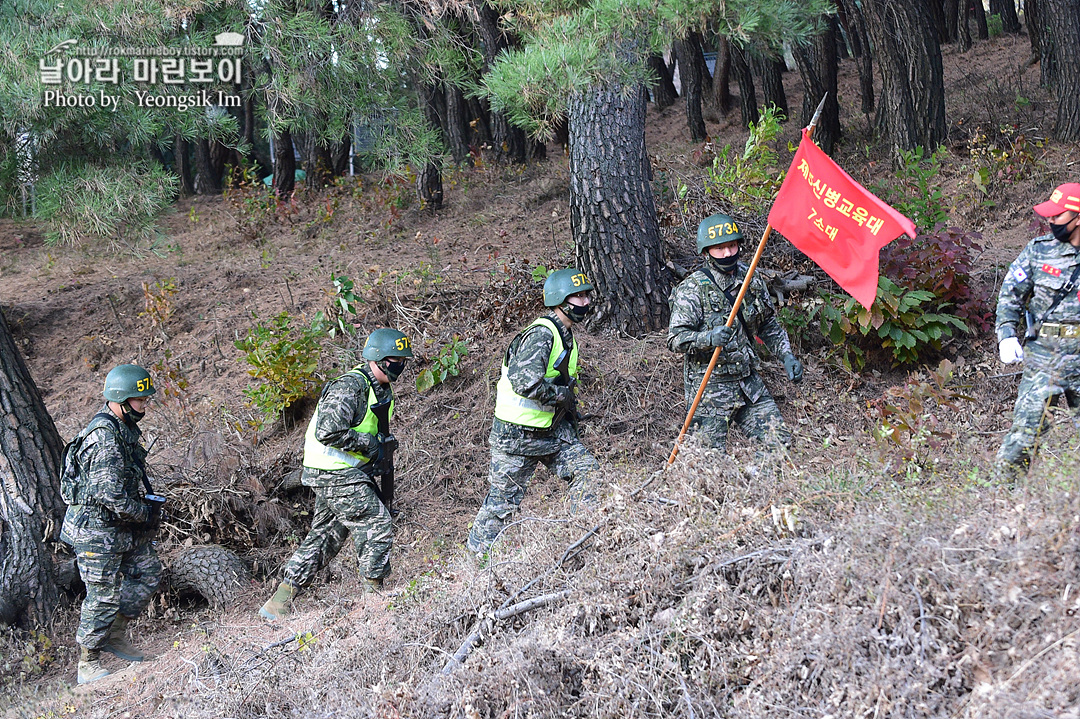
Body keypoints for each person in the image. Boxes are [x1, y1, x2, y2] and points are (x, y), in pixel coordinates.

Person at [259, 328, 412, 620]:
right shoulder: (350, 387)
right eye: (395, 359)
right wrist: (371, 446)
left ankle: (277, 603)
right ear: (378, 358)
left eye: (403, 360)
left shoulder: (380, 388)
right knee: (376, 522)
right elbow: (327, 431)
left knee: (326, 536)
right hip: (332, 470)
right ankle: (375, 599)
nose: (400, 366)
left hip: (343, 470)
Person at [466, 268, 600, 556]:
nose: (585, 301)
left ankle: (582, 542)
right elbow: (525, 382)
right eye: (578, 296)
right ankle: (476, 564)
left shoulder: (564, 333)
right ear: (560, 299)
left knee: (588, 475)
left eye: (586, 294)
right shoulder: (541, 334)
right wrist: (560, 395)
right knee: (501, 506)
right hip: (516, 436)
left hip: (551, 430)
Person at [60, 364, 163, 685]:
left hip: (117, 527)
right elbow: (111, 496)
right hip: (95, 532)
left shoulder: (121, 429)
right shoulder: (104, 438)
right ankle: (88, 662)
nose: (145, 405)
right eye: (140, 400)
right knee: (102, 594)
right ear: (121, 400)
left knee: (148, 573)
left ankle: (115, 635)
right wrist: (144, 513)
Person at [667, 213, 803, 450]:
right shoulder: (692, 289)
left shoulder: (751, 278)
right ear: (706, 251)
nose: (728, 253)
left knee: (779, 444)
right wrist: (708, 338)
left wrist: (786, 355)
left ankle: (758, 485)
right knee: (708, 462)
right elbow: (675, 339)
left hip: (747, 382)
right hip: (709, 388)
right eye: (719, 248)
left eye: (731, 245)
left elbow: (768, 323)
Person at [995, 183, 1080, 479]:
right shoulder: (1039, 251)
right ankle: (1001, 505)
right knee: (1023, 436)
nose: (1051, 221)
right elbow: (1010, 294)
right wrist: (1006, 334)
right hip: (1045, 355)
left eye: (1058, 215)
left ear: (1078, 216)